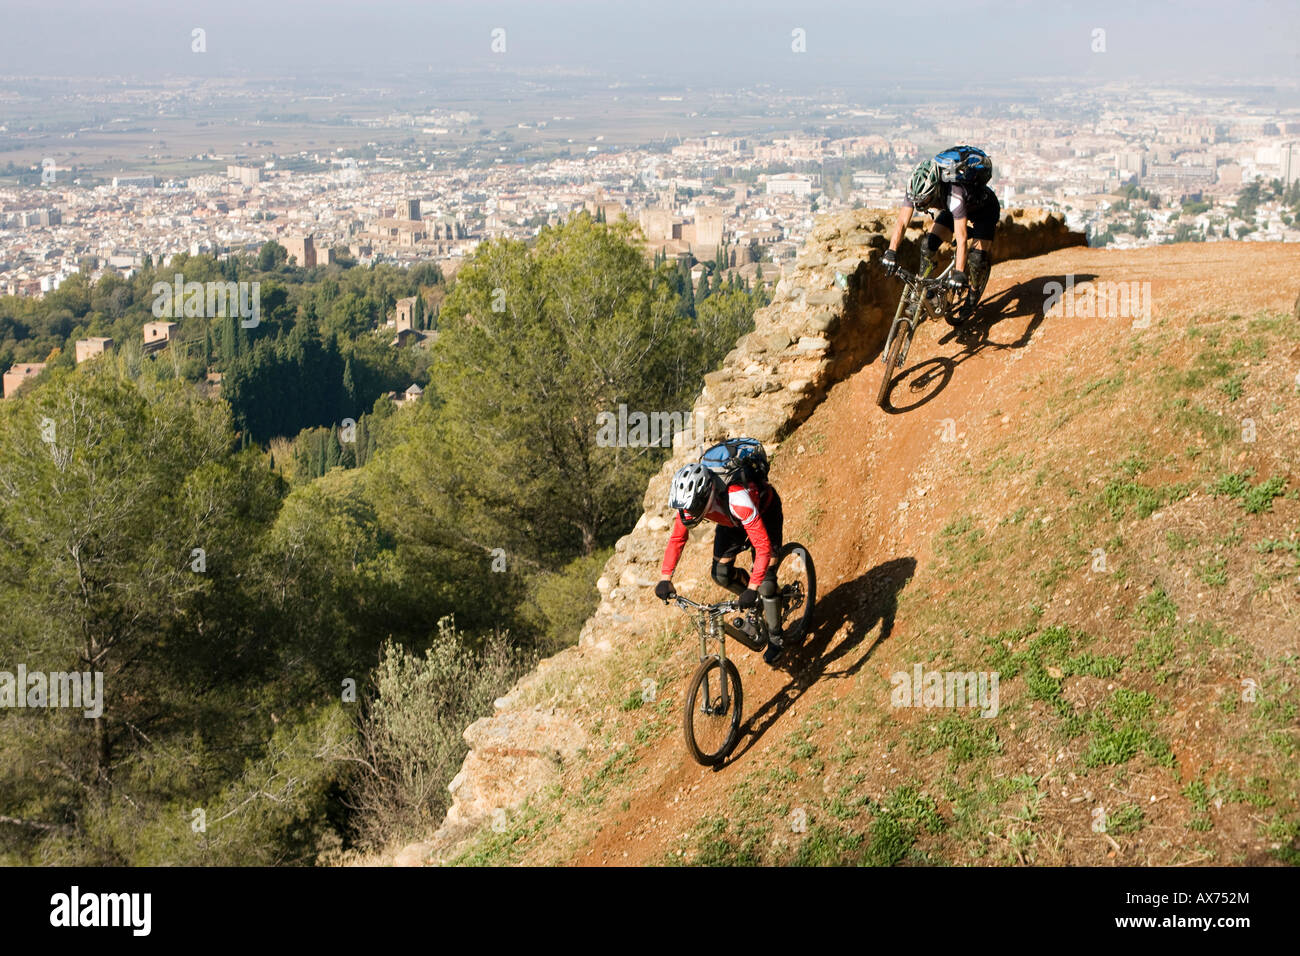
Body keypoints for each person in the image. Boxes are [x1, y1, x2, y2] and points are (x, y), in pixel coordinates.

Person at [654, 459, 788, 665]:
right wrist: (665, 578)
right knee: (721, 574)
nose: (688, 513)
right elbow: (677, 539)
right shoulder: (690, 504)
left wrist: (753, 588)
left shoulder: (737, 498)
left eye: (692, 507)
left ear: (705, 495)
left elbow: (762, 548)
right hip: (731, 522)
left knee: (766, 582)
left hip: (764, 513)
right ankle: (759, 603)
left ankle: (776, 637)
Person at [881, 146, 1000, 324]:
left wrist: (959, 273)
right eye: (917, 202)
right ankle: (922, 292)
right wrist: (891, 252)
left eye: (925, 201)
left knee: (976, 259)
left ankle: (973, 294)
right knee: (927, 246)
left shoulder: (955, 194)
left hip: (984, 211)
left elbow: (961, 237)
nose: (921, 206)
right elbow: (902, 223)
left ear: (936, 189)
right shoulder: (915, 187)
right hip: (953, 212)